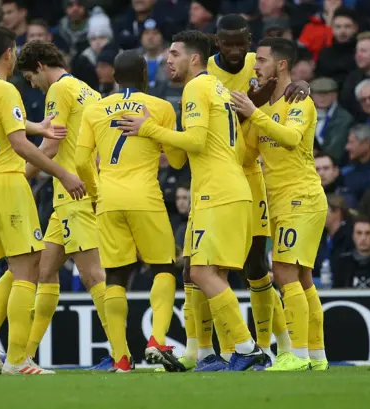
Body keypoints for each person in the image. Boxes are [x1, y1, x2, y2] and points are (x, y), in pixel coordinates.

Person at [117, 30, 267, 371]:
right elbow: (217, 152)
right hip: (222, 189)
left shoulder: (196, 88)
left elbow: (197, 142)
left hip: (219, 192)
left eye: (174, 53)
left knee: (199, 271)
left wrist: (149, 128)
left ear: (194, 58)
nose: (167, 60)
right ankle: (220, 353)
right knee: (207, 274)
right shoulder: (216, 88)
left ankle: (247, 348)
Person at [0, 26, 85, 376]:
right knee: (29, 267)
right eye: (14, 51)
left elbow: (2, 125)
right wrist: (62, 173)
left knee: (19, 268)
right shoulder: (7, 90)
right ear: (8, 54)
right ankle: (17, 359)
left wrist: (39, 126)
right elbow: (17, 144)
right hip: (7, 184)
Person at [193, 13, 310, 372]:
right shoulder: (204, 78)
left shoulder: (257, 64)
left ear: (248, 41)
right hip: (216, 175)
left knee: (257, 265)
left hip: (250, 176)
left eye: (241, 44)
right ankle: (220, 350)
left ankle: (275, 347)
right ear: (216, 42)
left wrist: (300, 82)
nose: (236, 51)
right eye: (227, 44)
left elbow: (282, 80)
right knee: (205, 268)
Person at [17, 40, 126, 371]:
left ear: (38, 66)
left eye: (29, 78)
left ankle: (122, 355)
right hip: (78, 192)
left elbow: (49, 146)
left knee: (93, 274)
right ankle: (25, 356)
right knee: (45, 271)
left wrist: (18, 179)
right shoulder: (87, 90)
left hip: (74, 194)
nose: (32, 85)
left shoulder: (58, 91)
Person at [75, 49, 184, 373]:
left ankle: (121, 357)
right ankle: (157, 340)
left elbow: (81, 162)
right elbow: (177, 160)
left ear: (113, 76)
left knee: (116, 276)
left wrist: (96, 192)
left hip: (108, 198)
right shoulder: (161, 107)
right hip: (146, 197)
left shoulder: (94, 110)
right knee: (163, 267)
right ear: (145, 76)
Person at [231, 36, 328, 371]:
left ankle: (296, 354)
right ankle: (316, 356)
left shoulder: (299, 101)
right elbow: (246, 154)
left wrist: (254, 114)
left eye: (260, 60)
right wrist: (244, 119)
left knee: (285, 272)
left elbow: (290, 139)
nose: (255, 66)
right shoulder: (266, 107)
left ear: (281, 65)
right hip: (279, 200)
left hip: (302, 196)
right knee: (302, 278)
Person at [311, 77, 353, 163]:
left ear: (335, 95)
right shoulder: (305, 115)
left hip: (334, 164)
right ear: (311, 95)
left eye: (326, 93)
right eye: (318, 93)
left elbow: (335, 150)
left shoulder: (344, 118)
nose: (322, 97)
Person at [315, 7, 360, 89]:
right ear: (332, 29)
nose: (342, 31)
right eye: (338, 27)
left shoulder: (361, 53)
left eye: (347, 26)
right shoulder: (325, 53)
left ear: (355, 28)